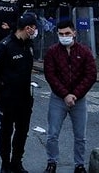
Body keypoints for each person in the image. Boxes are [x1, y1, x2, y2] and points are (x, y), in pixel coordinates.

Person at [42, 20, 96, 173]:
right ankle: (51, 162)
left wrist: (75, 94)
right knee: (52, 134)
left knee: (80, 136)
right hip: (58, 99)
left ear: (74, 33)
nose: (64, 36)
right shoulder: (52, 52)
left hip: (79, 100)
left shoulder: (84, 52)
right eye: (61, 34)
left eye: (67, 33)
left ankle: (79, 165)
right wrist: (65, 94)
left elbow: (90, 75)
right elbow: (50, 75)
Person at [0, 12, 39, 173]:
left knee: (22, 130)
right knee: (6, 130)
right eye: (34, 28)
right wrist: (0, 91)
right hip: (7, 97)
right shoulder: (4, 46)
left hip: (24, 96)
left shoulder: (28, 44)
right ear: (27, 28)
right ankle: (5, 162)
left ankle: (17, 161)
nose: (35, 31)